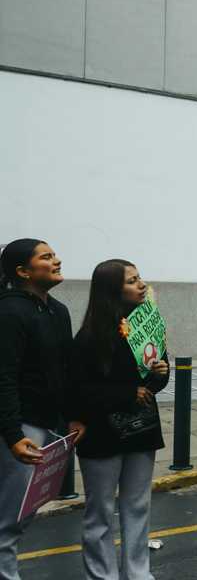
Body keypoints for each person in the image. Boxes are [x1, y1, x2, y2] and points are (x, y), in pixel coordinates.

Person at [70, 260, 169, 580]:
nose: (141, 284)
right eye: (132, 281)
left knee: (137, 506)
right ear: (112, 289)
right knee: (99, 512)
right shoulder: (89, 337)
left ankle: (138, 573)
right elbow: (79, 389)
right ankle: (102, 575)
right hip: (101, 434)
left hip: (141, 430)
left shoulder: (147, 325)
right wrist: (129, 392)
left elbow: (155, 380)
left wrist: (159, 375)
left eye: (140, 278)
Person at [0, 239, 83, 580]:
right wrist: (13, 435)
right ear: (22, 271)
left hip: (49, 426)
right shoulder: (9, 311)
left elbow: (65, 370)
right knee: (11, 516)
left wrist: (72, 417)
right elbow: (3, 376)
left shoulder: (57, 310)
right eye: (46, 257)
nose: (57, 260)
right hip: (21, 426)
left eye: (54, 254)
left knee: (24, 511)